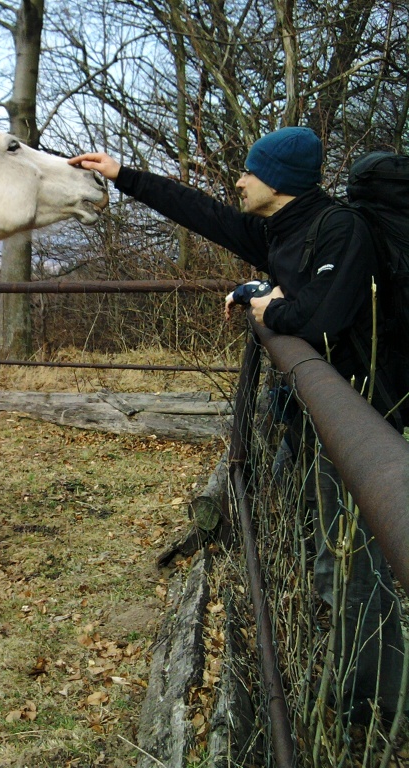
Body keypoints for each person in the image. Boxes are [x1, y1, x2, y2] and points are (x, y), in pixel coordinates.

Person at [70, 130, 407, 725]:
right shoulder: (280, 229)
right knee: (321, 543)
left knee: (351, 560)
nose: (239, 181)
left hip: (357, 423)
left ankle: (378, 702)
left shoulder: (338, 229)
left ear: (277, 182)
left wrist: (267, 307)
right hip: (311, 416)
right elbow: (203, 215)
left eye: (249, 173)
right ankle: (350, 665)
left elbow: (323, 317)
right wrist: (125, 175)